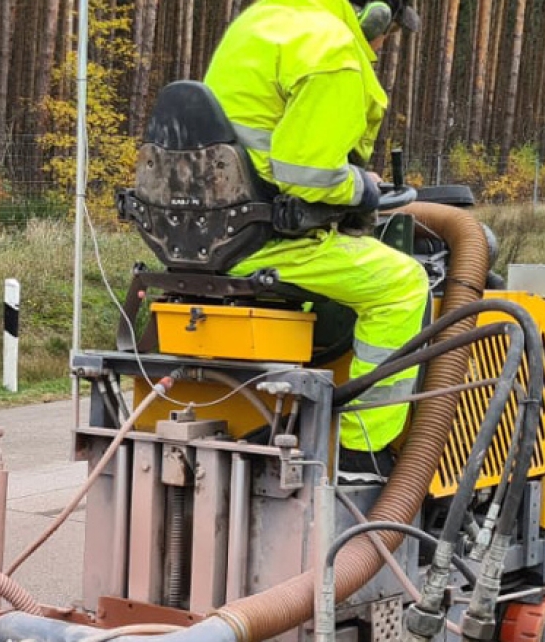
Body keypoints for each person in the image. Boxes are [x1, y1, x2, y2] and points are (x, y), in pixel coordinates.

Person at [203, 0, 423, 484]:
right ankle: (365, 455)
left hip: (204, 233)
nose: (384, 47)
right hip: (261, 239)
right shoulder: (334, 51)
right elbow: (307, 174)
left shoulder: (261, 20)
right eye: (389, 35)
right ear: (375, 16)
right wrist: (364, 188)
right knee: (404, 285)